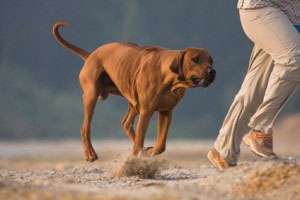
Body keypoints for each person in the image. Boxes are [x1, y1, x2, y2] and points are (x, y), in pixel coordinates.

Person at [208, 0, 300, 171]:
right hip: (261, 8)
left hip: (289, 17)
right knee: (295, 60)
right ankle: (260, 127)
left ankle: (223, 149)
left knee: (255, 88)